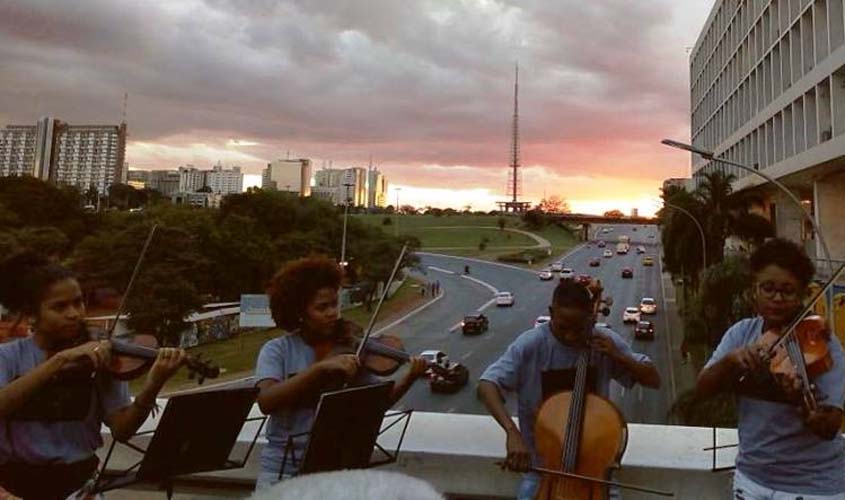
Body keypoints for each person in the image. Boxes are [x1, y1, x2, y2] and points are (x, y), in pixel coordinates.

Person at [0, 251, 187, 499]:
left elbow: (122, 430)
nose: (74, 314)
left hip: (78, 485)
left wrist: (153, 384)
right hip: (16, 487)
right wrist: (60, 360)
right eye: (60, 307)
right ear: (33, 313)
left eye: (78, 302)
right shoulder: (8, 356)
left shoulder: (100, 357)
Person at [254, 256, 427, 491]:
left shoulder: (350, 351)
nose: (333, 313)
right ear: (298, 311)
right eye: (321, 307)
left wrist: (410, 377)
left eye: (335, 304)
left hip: (333, 469)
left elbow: (375, 403)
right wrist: (320, 368)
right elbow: (267, 400)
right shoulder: (278, 350)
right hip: (282, 472)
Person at [477, 279, 660, 500]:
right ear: (551, 312)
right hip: (542, 473)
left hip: (595, 476)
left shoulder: (603, 341)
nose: (571, 336)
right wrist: (512, 433)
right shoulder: (531, 345)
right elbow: (486, 385)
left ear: (590, 318)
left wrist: (619, 356)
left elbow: (653, 380)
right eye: (563, 327)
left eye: (579, 328)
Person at [696, 238, 845, 499]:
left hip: (812, 487)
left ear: (801, 295)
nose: (777, 298)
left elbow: (830, 427)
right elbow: (703, 388)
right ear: (755, 289)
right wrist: (731, 361)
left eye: (788, 291)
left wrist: (801, 400)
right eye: (768, 288)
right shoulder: (742, 333)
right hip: (751, 479)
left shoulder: (822, 344)